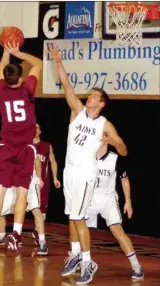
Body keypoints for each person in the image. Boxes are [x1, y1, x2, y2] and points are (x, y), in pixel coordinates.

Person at [49, 44, 127, 285]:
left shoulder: (104, 123)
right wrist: (57, 60)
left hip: (85, 173)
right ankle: (75, 255)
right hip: (70, 170)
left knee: (79, 219)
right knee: (72, 217)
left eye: (94, 96)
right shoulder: (78, 111)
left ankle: (88, 261)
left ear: (101, 103)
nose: (89, 97)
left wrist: (111, 140)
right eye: (90, 95)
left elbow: (123, 150)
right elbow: (67, 85)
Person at [0, 42, 42, 251]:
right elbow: (37, 64)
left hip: (4, 146)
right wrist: (18, 53)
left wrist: (5, 52)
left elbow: (3, 69)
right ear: (20, 78)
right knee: (22, 192)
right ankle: (16, 234)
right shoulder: (27, 89)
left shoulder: (0, 89)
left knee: (0, 190)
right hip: (25, 148)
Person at [86, 139, 144, 281]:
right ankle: (81, 260)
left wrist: (128, 201)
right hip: (90, 199)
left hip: (108, 199)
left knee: (117, 230)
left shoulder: (115, 158)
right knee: (77, 226)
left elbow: (124, 179)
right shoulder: (87, 156)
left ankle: (136, 266)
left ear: (106, 139)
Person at [0, 153, 48, 255]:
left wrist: (39, 178)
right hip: (13, 181)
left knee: (36, 210)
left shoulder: (27, 144)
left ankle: (42, 242)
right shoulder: (6, 148)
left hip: (29, 180)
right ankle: (0, 238)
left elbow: (37, 160)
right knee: (0, 212)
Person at [32, 123, 61, 245]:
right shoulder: (25, 145)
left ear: (40, 131)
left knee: (42, 209)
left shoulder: (46, 146)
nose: (34, 129)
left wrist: (55, 178)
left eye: (37, 127)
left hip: (42, 182)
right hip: (26, 181)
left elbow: (53, 162)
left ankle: (38, 233)